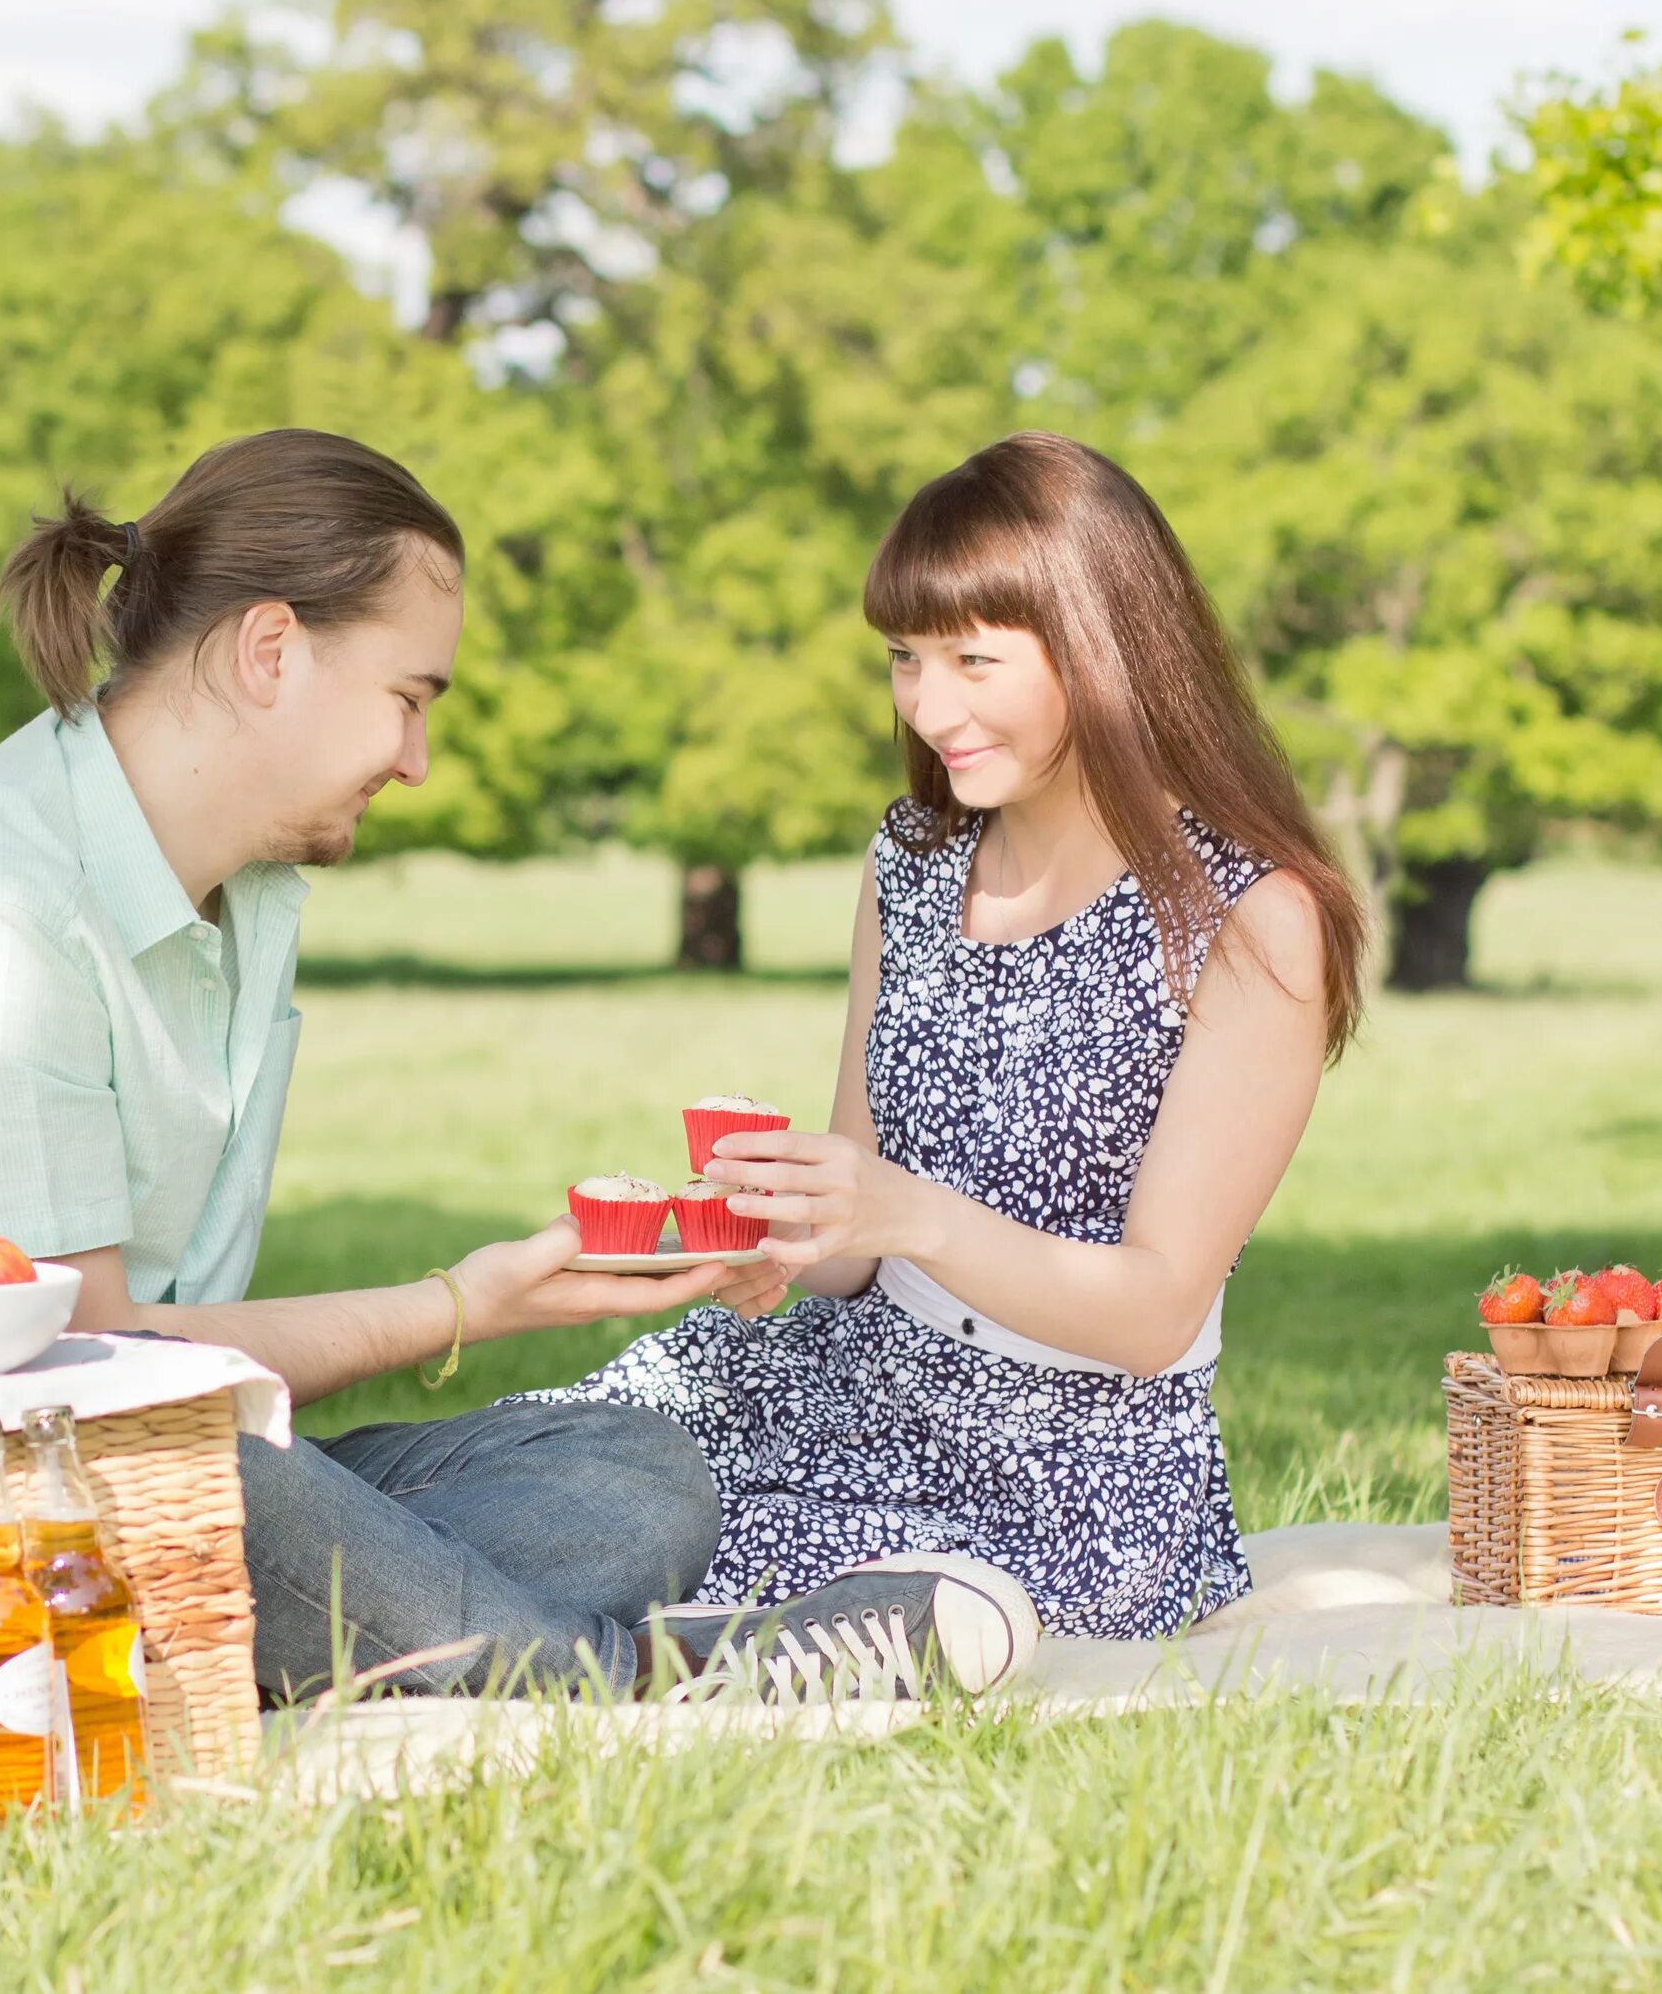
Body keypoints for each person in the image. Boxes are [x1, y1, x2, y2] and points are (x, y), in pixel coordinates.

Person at [0, 429, 810, 1702]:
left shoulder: (248, 901)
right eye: (410, 700)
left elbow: (165, 1393)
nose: (417, 762)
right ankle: (635, 1672)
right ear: (271, 652)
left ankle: (360, 1637)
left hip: (154, 1458)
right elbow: (88, 1373)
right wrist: (455, 1305)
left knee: (630, 1474)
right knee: (231, 1483)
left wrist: (491, 1301)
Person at [509, 430, 1368, 1676]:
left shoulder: (1248, 919)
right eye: (907, 659)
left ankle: (566, 1651)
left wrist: (906, 1214)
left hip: (1063, 1474)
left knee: (605, 1555)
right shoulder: (912, 863)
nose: (929, 705)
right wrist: (782, 1234)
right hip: (832, 1385)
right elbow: (858, 1239)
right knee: (521, 1479)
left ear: (1106, 645)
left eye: (974, 659)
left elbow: (1153, 1307)